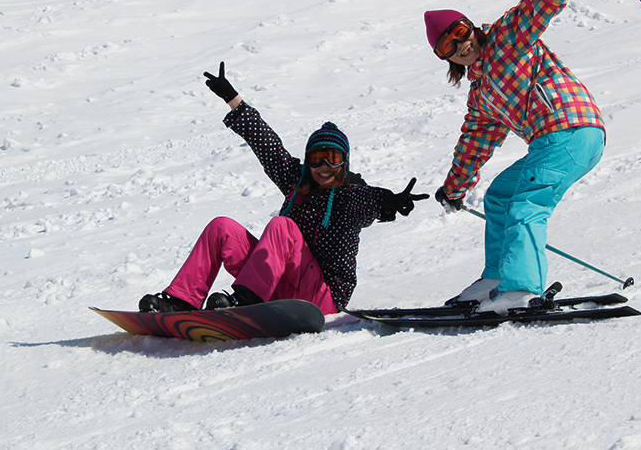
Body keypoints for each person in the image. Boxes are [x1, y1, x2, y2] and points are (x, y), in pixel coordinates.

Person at [139, 62, 429, 315]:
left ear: (344, 163)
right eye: (317, 158)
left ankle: (246, 301)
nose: (324, 165)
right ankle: (182, 300)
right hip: (278, 285)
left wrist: (389, 201)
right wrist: (233, 99)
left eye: (334, 158)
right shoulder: (296, 181)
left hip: (323, 296)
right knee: (221, 228)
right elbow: (267, 145)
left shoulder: (348, 194)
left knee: (283, 227)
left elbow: (368, 200)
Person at [425, 0, 606, 315]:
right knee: (502, 195)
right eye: (447, 48)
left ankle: (522, 289)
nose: (460, 46)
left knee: (527, 204)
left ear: (472, 28)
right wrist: (455, 188)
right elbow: (472, 147)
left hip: (570, 128)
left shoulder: (508, 36)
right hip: (556, 142)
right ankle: (496, 277)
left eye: (460, 33)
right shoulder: (481, 94)